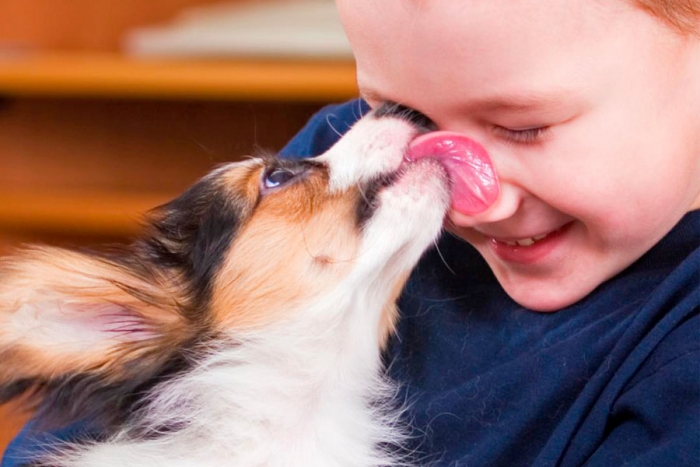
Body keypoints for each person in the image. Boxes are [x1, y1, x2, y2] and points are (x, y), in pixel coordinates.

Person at [3, 0, 699, 465]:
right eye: (399, 107)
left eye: (524, 127)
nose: (462, 177)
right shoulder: (356, 169)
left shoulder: (680, 344)